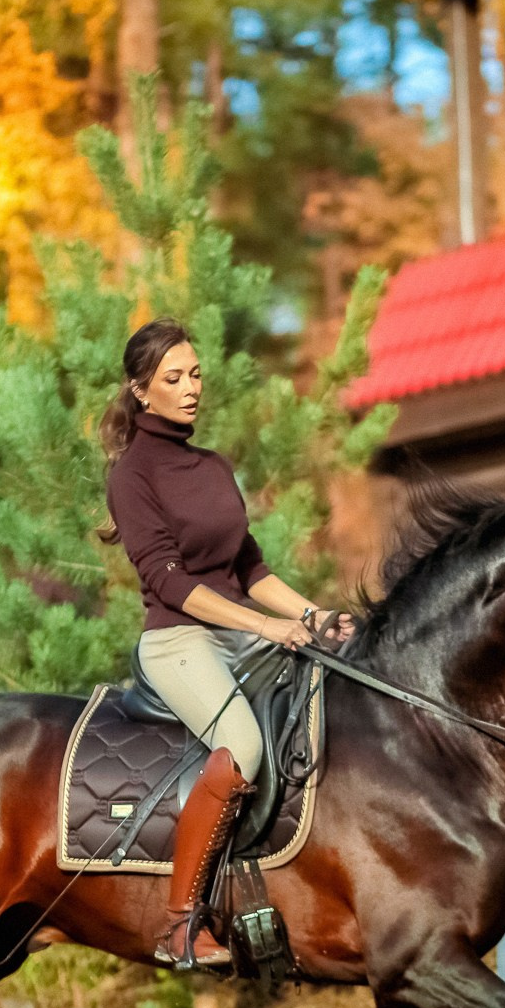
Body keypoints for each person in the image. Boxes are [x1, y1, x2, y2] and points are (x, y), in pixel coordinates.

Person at [101, 317, 354, 969]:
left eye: (195, 375)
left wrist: (316, 615)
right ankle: (180, 925)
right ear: (140, 390)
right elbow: (168, 582)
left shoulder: (213, 466)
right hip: (179, 641)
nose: (191, 389)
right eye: (173, 379)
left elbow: (250, 569)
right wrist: (266, 626)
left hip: (238, 634)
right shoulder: (132, 476)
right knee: (242, 744)